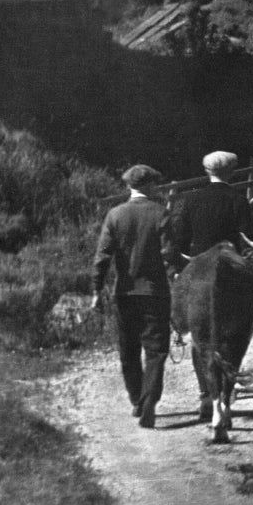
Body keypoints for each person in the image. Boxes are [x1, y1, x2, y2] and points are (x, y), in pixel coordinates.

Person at [92, 164, 171, 429]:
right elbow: (169, 254)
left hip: (124, 292)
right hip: (154, 292)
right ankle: (150, 401)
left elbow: (102, 257)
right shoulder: (161, 213)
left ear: (128, 186)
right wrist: (173, 274)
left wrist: (96, 289)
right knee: (156, 350)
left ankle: (136, 399)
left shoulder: (115, 215)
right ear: (150, 186)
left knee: (128, 348)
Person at [162, 150, 253, 274]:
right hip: (230, 262)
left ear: (207, 171)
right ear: (231, 173)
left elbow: (182, 234)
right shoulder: (238, 199)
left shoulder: (192, 198)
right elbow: (246, 236)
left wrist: (180, 266)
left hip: (198, 260)